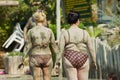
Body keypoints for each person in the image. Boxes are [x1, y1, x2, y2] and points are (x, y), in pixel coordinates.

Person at [55, 11, 97, 80]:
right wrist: (94, 61)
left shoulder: (65, 33)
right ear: (78, 21)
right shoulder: (84, 32)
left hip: (69, 57)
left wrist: (57, 62)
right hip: (83, 56)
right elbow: (91, 49)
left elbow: (60, 49)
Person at [23, 10, 58, 80]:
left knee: (36, 78)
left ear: (35, 20)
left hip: (35, 57)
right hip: (47, 56)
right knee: (47, 78)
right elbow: (54, 46)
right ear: (44, 19)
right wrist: (58, 60)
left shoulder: (31, 31)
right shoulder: (49, 31)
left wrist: (23, 58)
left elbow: (27, 46)